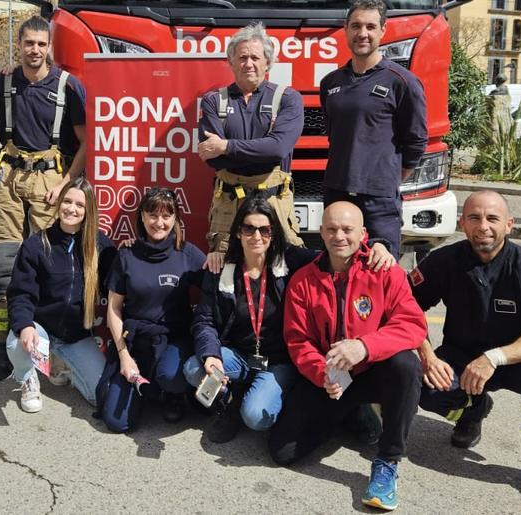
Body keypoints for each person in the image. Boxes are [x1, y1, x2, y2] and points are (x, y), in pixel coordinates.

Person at [412, 191, 521, 510]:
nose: (483, 227)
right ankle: (473, 412)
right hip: (463, 356)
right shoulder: (445, 261)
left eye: (492, 219)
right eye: (474, 218)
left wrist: (494, 358)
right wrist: (427, 355)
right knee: (422, 385)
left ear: (509, 225)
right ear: (462, 224)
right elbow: (404, 307)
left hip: (519, 359)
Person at [270, 201, 427, 512]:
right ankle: (351, 412)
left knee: (406, 364)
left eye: (347, 229)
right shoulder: (303, 280)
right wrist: (321, 374)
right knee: (282, 453)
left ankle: (388, 459)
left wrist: (365, 346)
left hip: (373, 370)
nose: (339, 236)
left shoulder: (385, 271)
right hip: (332, 377)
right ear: (321, 233)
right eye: (331, 229)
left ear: (364, 233)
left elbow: (413, 325)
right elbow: (298, 340)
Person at [0, 16, 89, 382]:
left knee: (49, 268)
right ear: (19, 45)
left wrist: (67, 183)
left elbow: (86, 142)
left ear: (50, 47)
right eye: (29, 44)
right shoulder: (2, 83)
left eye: (41, 44)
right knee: (2, 268)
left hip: (50, 182)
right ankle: (0, 347)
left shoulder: (69, 88)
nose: (35, 50)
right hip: (9, 180)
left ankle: (45, 346)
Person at [182, 196, 318, 442]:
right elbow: (204, 320)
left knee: (256, 417)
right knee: (194, 368)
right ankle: (230, 400)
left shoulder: (291, 262)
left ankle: (274, 393)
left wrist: (377, 245)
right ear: (237, 232)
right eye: (248, 228)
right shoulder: (221, 268)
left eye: (265, 229)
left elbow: (333, 254)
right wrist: (211, 355)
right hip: (239, 355)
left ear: (274, 233)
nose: (257, 236)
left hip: (278, 360)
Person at [318, 0, 427, 259]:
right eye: (355, 26)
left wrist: (387, 178)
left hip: (379, 199)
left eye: (370, 27)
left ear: (383, 30)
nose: (362, 34)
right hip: (337, 192)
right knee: (336, 269)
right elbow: (334, 133)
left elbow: (416, 141)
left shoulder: (402, 82)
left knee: (380, 270)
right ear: (345, 29)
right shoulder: (330, 83)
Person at [97, 188, 206, 433]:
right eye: (153, 215)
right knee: (117, 423)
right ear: (142, 217)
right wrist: (124, 355)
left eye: (167, 216)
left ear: (176, 219)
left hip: (175, 338)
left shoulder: (188, 254)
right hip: (136, 342)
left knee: (171, 375)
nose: (159, 222)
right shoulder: (126, 254)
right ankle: (146, 384)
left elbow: (216, 292)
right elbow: (114, 308)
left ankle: (172, 393)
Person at [5, 177, 114, 412]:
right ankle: (27, 378)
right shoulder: (36, 245)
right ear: (59, 203)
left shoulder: (101, 246)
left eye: (79, 205)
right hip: (40, 329)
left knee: (102, 397)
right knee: (16, 343)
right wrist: (25, 325)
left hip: (75, 335)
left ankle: (63, 363)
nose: (71, 209)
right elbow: (20, 293)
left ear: (89, 211)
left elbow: (116, 286)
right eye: (67, 201)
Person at [197, 22, 304, 253]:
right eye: (242, 57)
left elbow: (277, 149)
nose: (249, 64)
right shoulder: (213, 101)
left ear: (268, 62)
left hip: (274, 204)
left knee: (281, 269)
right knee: (223, 270)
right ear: (231, 62)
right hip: (228, 208)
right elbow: (214, 159)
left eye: (255, 57)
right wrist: (261, 148)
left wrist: (226, 145)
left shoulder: (288, 98)